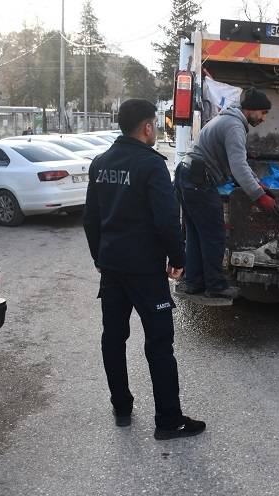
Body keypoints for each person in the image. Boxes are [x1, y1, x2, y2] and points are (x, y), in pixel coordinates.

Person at [83, 99, 205, 440]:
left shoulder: (100, 163)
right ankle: (168, 420)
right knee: (160, 343)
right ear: (147, 127)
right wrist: (178, 259)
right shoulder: (151, 166)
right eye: (154, 124)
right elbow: (167, 220)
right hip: (145, 271)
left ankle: (121, 406)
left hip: (112, 267)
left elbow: (90, 218)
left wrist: (100, 256)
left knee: (113, 337)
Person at [176, 87, 278, 305]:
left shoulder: (228, 120)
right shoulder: (234, 126)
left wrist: (257, 183)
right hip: (199, 181)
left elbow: (240, 164)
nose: (263, 118)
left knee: (196, 233)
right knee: (214, 235)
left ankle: (193, 282)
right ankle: (215, 286)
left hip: (189, 176)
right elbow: (239, 167)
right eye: (262, 113)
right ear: (250, 110)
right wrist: (260, 197)